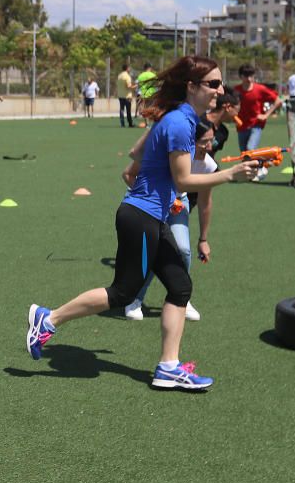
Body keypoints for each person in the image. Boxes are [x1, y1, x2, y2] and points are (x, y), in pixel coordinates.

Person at [25, 55, 257, 391]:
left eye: (221, 83)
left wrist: (150, 181)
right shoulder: (179, 123)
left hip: (149, 215)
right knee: (122, 292)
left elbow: (137, 159)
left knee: (179, 286)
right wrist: (231, 174)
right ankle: (50, 318)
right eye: (213, 84)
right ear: (191, 87)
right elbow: (182, 180)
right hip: (142, 217)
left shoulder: (178, 119)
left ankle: (168, 367)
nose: (221, 90)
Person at [123, 117, 219, 322]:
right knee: (152, 249)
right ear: (190, 141)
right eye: (205, 142)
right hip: (148, 201)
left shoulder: (208, 165)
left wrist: (203, 239)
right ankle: (135, 298)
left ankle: (181, 299)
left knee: (183, 249)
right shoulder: (164, 152)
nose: (210, 147)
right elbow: (128, 175)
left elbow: (205, 203)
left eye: (213, 141)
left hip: (178, 204)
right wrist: (155, 199)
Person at [235, 64, 283, 153]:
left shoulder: (260, 89)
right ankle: (257, 166)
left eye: (251, 76)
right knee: (244, 154)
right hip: (241, 126)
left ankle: (259, 165)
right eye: (246, 76)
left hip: (256, 125)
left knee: (250, 149)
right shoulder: (236, 90)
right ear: (241, 76)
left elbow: (278, 101)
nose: (249, 79)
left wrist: (266, 115)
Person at [116, 63, 136, 128]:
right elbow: (128, 86)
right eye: (129, 68)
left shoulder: (119, 75)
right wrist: (135, 86)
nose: (130, 69)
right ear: (127, 68)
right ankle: (130, 123)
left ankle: (122, 123)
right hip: (127, 96)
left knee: (121, 109)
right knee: (128, 110)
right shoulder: (127, 76)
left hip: (120, 95)